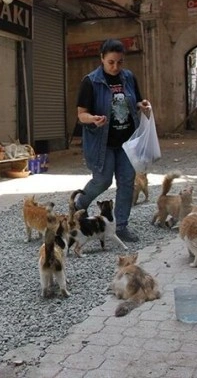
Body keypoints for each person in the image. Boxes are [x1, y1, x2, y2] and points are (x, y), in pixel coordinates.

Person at [73, 38, 150, 243]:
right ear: (102, 59)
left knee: (126, 182)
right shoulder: (90, 82)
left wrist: (143, 105)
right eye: (111, 62)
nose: (115, 67)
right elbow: (81, 114)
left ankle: (120, 226)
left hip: (127, 142)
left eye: (119, 62)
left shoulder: (129, 78)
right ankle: (80, 203)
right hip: (102, 143)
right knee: (103, 179)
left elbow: (138, 101)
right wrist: (93, 119)